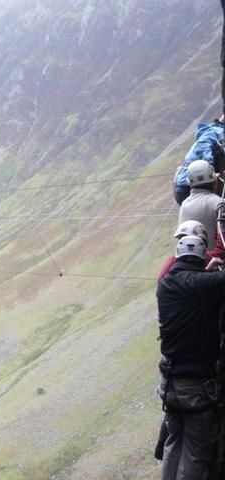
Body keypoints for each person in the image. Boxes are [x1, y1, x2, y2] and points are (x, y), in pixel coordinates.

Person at [156, 235, 225, 479]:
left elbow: (192, 286)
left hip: (169, 383)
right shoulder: (203, 285)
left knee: (173, 444)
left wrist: (206, 271)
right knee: (195, 453)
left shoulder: (165, 285)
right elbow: (207, 284)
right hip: (194, 387)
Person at [173, 121, 225, 205]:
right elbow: (203, 145)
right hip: (189, 185)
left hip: (189, 184)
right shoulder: (216, 132)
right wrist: (210, 171)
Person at [178, 160, 222, 250]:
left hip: (194, 260)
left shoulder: (184, 205)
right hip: (217, 261)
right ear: (214, 182)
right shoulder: (218, 203)